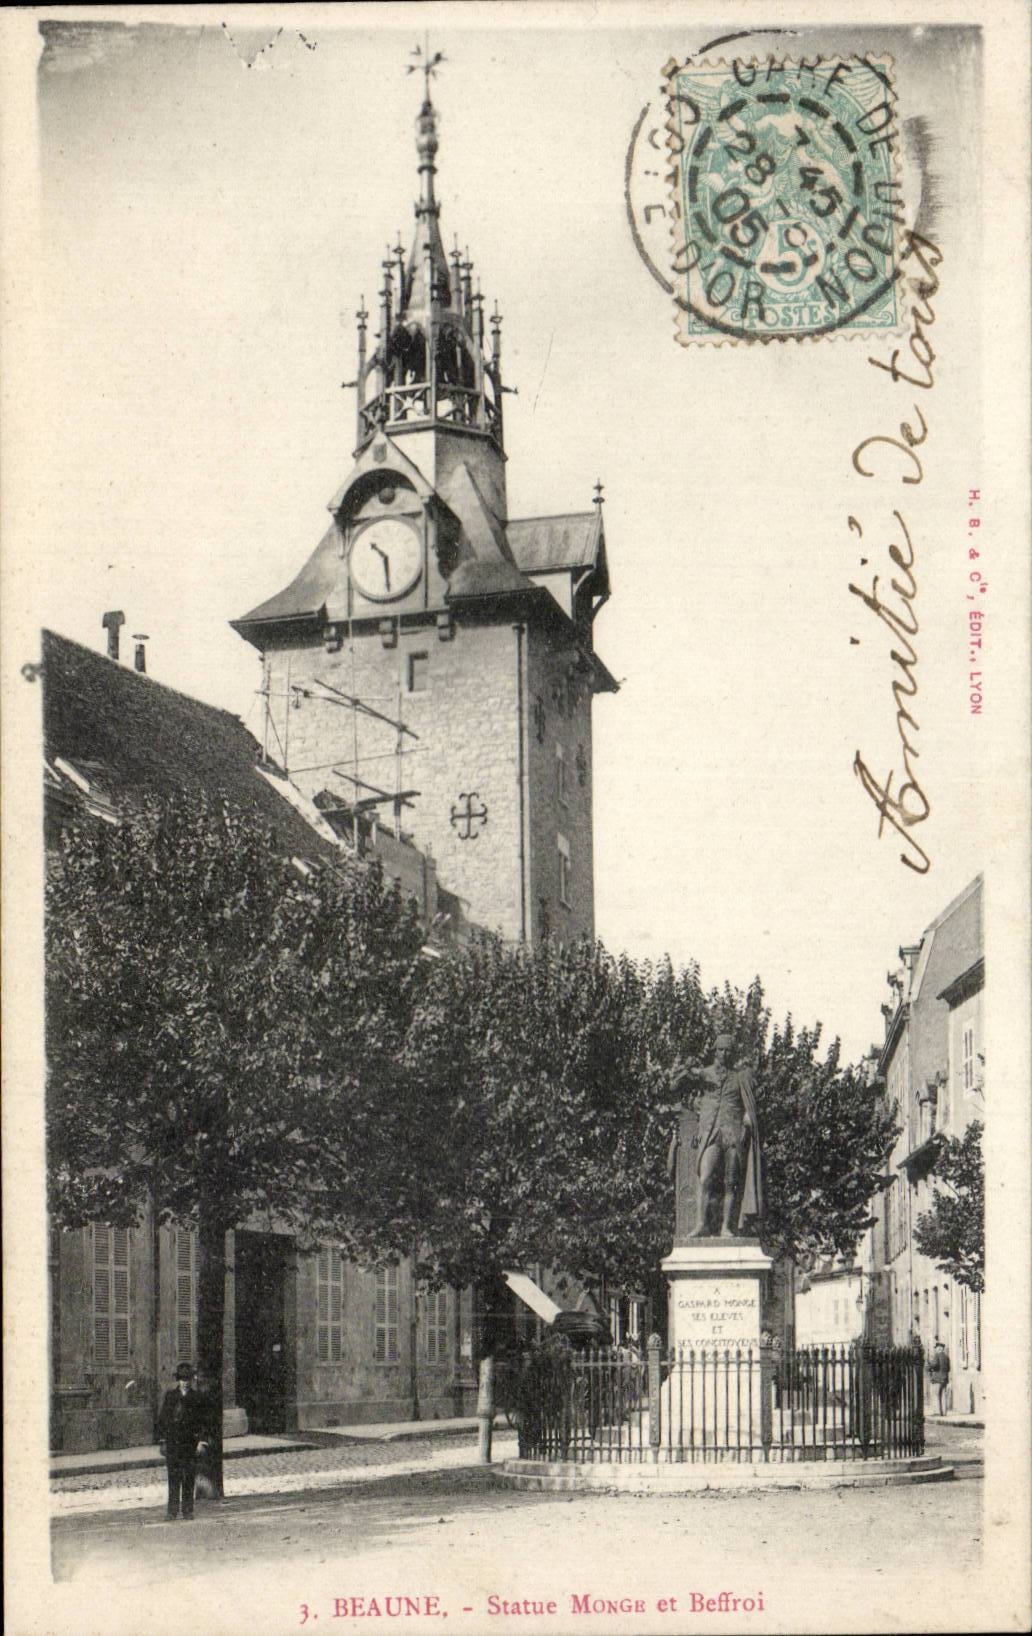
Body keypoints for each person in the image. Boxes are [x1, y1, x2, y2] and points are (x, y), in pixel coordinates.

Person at [157, 1362, 210, 1521]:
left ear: (191, 1380)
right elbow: (163, 1420)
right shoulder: (171, 1396)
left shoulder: (196, 1397)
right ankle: (172, 1511)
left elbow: (203, 1421)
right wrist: (162, 1441)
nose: (185, 1382)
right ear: (178, 1380)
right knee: (173, 1478)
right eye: (182, 1379)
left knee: (188, 1477)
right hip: (173, 1443)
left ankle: (188, 1510)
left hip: (190, 1443)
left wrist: (201, 1441)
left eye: (187, 1379)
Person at [928, 1339, 951, 1415]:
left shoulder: (937, 1355)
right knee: (944, 1395)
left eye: (936, 1348)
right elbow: (948, 1368)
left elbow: (935, 1364)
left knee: (936, 1395)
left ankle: (937, 1412)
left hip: (937, 1379)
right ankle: (944, 1412)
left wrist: (930, 1366)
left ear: (939, 1348)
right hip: (945, 1379)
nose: (936, 1349)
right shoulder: (946, 1357)